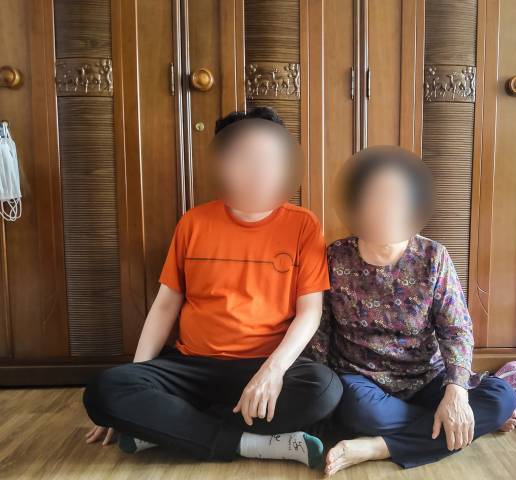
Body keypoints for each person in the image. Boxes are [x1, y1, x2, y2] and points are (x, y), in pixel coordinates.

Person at [82, 107, 343, 469]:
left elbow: (310, 312)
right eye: (245, 157)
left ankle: (168, 428)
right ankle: (250, 443)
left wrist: (272, 371)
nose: (259, 169)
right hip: (191, 367)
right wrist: (136, 378)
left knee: (324, 389)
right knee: (105, 390)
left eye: (270, 157)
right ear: (223, 164)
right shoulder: (193, 223)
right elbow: (164, 306)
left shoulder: (303, 225)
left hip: (261, 365)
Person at [304, 146, 516, 475]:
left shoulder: (433, 257)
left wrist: (457, 393)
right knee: (358, 412)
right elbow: (320, 331)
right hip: (363, 386)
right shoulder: (335, 258)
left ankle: (378, 447)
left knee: (502, 397)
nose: (386, 206)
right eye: (375, 196)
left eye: (396, 197)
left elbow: (456, 330)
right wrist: (315, 399)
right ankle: (463, 427)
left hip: (426, 379)